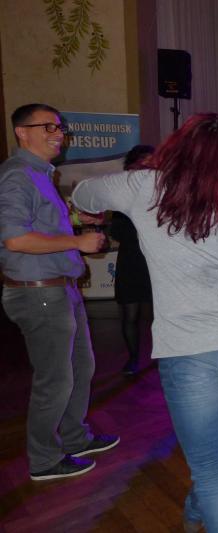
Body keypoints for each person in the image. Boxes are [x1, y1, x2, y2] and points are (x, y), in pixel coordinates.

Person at [72, 113, 218, 533]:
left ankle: (202, 505)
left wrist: (97, 208)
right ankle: (196, 510)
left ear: (176, 145)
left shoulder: (144, 185)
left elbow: (84, 192)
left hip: (191, 349)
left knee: (212, 470)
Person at [0, 103, 118, 481]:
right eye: (48, 127)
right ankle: (44, 460)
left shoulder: (40, 175)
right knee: (55, 379)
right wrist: (77, 241)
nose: (58, 134)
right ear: (22, 132)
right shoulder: (17, 176)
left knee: (81, 368)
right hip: (38, 293)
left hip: (59, 289)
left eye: (60, 128)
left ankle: (74, 438)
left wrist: (78, 220)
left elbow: (42, 224)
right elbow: (16, 239)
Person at [109, 144, 155, 375]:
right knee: (130, 314)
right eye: (142, 164)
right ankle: (133, 359)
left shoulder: (161, 192)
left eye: (151, 164)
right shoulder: (123, 194)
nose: (147, 168)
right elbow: (116, 230)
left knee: (161, 314)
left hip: (156, 260)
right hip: (131, 259)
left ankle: (164, 356)